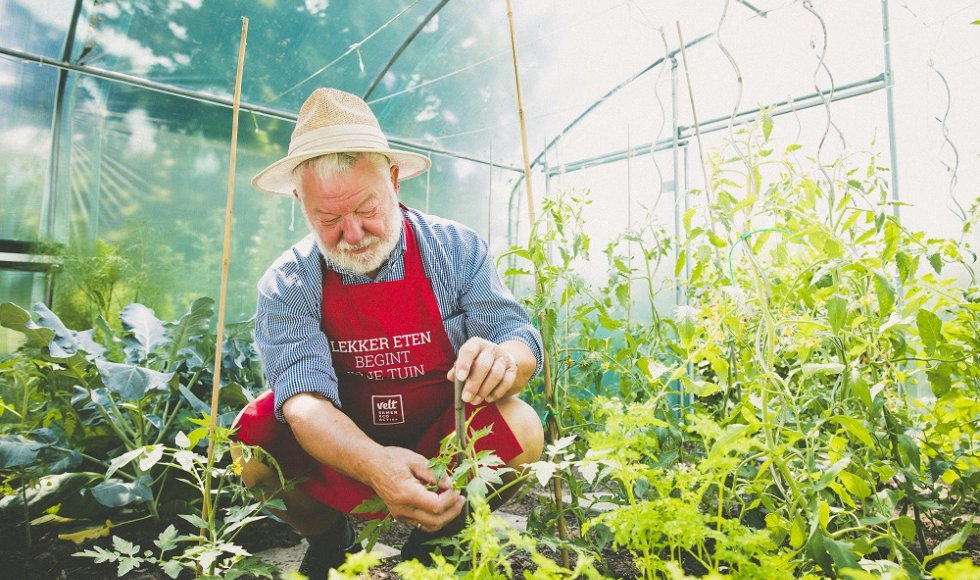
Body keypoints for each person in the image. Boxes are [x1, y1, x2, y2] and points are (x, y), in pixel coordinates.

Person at [232, 88, 545, 577]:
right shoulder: (290, 279)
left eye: (366, 209)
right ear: (300, 201)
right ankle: (329, 536)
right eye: (328, 218)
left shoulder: (456, 249)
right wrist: (375, 463)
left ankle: (439, 534)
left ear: (394, 181)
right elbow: (303, 402)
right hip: (343, 446)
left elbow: (514, 334)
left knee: (522, 426)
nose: (352, 234)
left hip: (443, 439)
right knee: (252, 445)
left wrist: (505, 358)